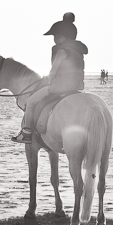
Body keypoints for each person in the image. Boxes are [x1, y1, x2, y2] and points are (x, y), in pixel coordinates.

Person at [12, 14, 88, 144]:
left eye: (58, 36)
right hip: (76, 86)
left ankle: (27, 133)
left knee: (31, 102)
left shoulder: (61, 51)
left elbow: (53, 71)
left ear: (67, 36)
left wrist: (49, 80)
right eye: (54, 36)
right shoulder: (78, 51)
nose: (55, 39)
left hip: (60, 87)